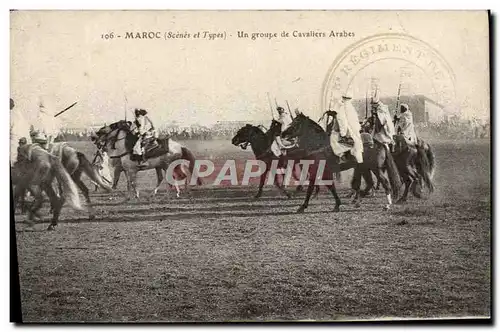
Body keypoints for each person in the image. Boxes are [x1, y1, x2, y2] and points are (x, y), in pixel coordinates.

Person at [328, 92, 364, 163]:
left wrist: (343, 133)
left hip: (346, 131)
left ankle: (341, 156)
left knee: (332, 139)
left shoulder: (340, 108)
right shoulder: (351, 108)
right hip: (354, 132)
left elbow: (342, 121)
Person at [10, 98, 31, 165]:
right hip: (26, 139)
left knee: (12, 158)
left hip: (15, 139)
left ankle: (12, 165)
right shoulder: (18, 113)